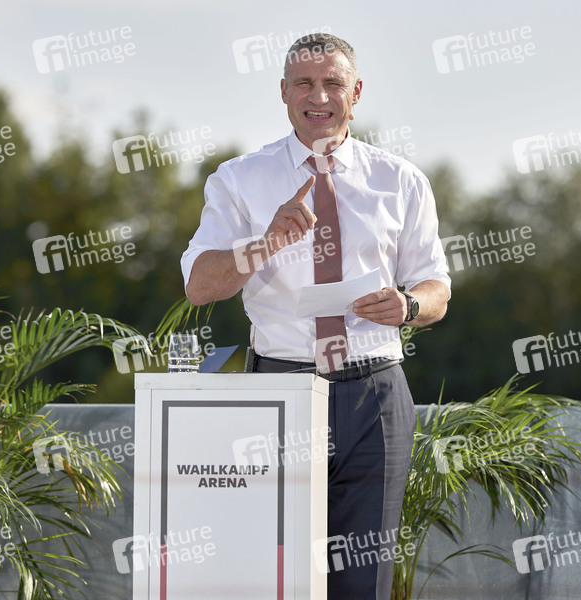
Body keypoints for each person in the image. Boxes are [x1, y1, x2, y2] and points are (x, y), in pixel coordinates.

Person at [181, 32, 450, 599]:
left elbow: (437, 289)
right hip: (280, 392)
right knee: (276, 578)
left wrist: (407, 305)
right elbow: (200, 286)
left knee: (366, 581)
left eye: (333, 83)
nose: (319, 96)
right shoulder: (238, 179)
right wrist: (264, 242)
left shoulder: (401, 181)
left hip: (375, 396)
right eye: (304, 83)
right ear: (283, 92)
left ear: (357, 92)